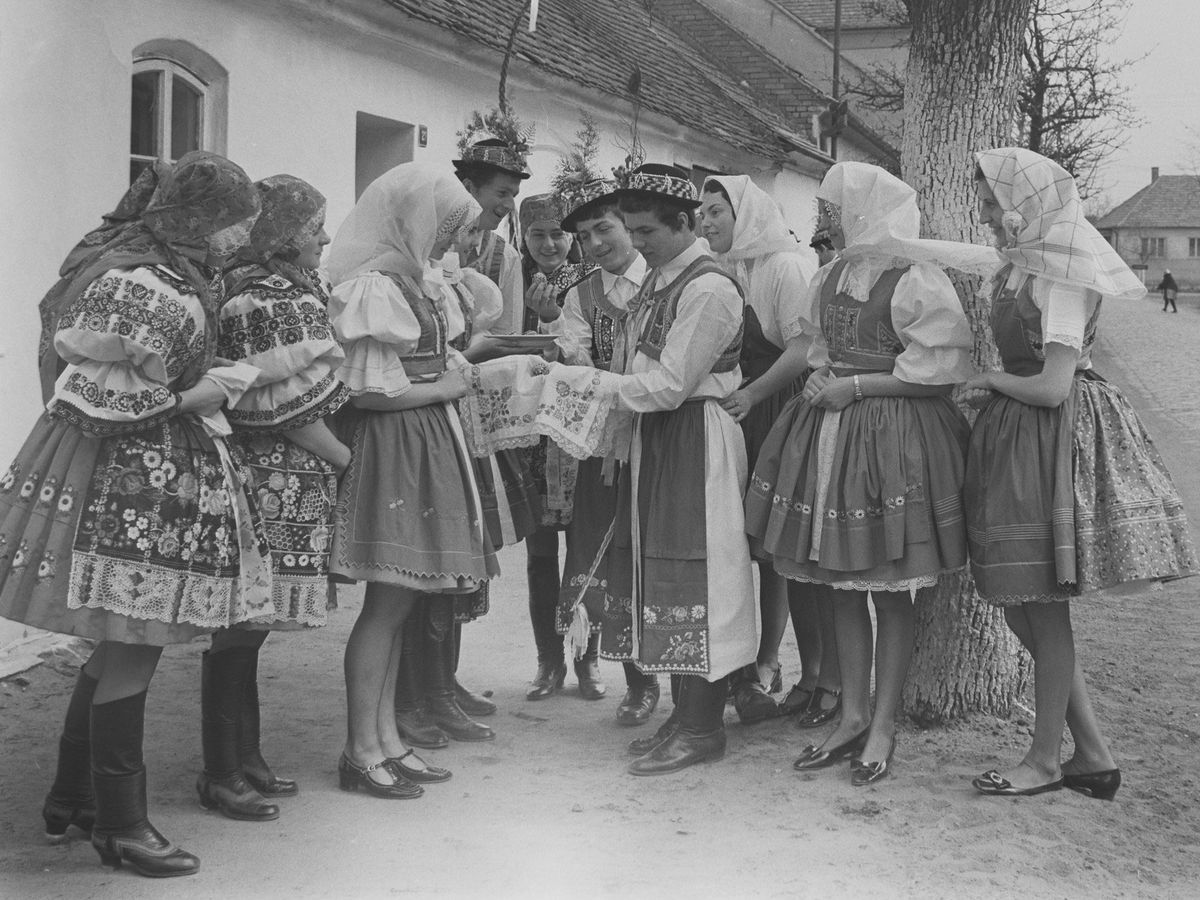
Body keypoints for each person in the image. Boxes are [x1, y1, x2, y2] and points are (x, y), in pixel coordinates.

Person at [0, 151, 266, 877]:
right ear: (203, 218)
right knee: (133, 640)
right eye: (236, 223)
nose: (241, 239)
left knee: (120, 641)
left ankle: (75, 798)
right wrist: (196, 395)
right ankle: (120, 825)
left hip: (142, 477)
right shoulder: (146, 282)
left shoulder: (168, 271)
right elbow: (94, 393)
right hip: (127, 484)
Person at [745, 162, 988, 786]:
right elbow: (819, 351)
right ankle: (851, 714)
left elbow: (938, 374)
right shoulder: (830, 276)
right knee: (839, 584)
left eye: (833, 210)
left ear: (866, 212)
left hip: (894, 439)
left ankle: (883, 723)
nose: (826, 221)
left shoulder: (915, 279)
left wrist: (855, 387)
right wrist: (823, 379)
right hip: (829, 434)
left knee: (887, 585)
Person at [966, 148, 1197, 798]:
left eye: (992, 204)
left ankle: (1044, 760)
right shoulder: (1021, 267)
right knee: (1018, 605)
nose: (985, 217)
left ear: (1026, 205)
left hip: (1053, 437)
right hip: (1017, 438)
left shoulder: (1063, 275)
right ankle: (1092, 754)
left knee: (1042, 606)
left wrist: (990, 380)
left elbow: (1053, 386)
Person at [326, 164, 498, 799]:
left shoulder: (414, 281)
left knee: (401, 602)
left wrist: (454, 376)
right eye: (447, 225)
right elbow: (364, 394)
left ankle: (386, 739)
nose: (451, 239)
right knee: (386, 603)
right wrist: (445, 387)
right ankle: (360, 748)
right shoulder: (373, 286)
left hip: (423, 440)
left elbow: (422, 363)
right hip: (394, 445)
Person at [592, 163, 757, 775]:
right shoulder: (662, 280)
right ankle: (686, 712)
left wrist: (589, 387)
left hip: (695, 434)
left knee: (704, 573)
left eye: (647, 232)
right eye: (631, 231)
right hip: (661, 435)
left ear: (685, 223)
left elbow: (669, 383)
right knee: (663, 569)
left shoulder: (708, 287)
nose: (637, 244)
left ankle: (703, 725)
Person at [204, 175, 350, 821]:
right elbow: (283, 407)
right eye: (314, 227)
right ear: (286, 234)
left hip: (284, 480)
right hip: (267, 481)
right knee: (240, 628)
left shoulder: (277, 289)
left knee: (250, 630)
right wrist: (346, 459)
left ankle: (244, 756)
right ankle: (222, 769)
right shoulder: (260, 299)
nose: (324, 237)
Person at [699, 174, 836, 727]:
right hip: (746, 407)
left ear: (746, 215)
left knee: (790, 547)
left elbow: (804, 348)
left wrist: (753, 395)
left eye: (716, 211)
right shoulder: (729, 267)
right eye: (703, 212)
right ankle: (761, 667)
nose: (706, 221)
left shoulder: (784, 266)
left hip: (781, 406)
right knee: (758, 545)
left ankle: (805, 671)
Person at [552, 178, 661, 725]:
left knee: (654, 552)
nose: (595, 244)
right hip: (603, 444)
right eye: (584, 236)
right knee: (600, 550)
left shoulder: (665, 283)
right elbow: (574, 362)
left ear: (628, 226)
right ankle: (620, 673)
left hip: (662, 435)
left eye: (604, 228)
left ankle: (668, 675)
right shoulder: (581, 296)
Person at [517, 192, 603, 701]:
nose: (549, 244)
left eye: (558, 234)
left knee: (585, 552)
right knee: (540, 555)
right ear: (523, 236)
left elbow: (580, 359)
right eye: (538, 235)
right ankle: (548, 662)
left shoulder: (589, 283)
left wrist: (550, 321)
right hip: (530, 435)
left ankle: (586, 660)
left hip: (578, 433)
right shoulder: (511, 280)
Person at [454, 138, 528, 335]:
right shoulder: (431, 243)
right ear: (469, 188)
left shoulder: (505, 257)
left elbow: (508, 335)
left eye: (514, 196)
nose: (510, 205)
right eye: (502, 193)